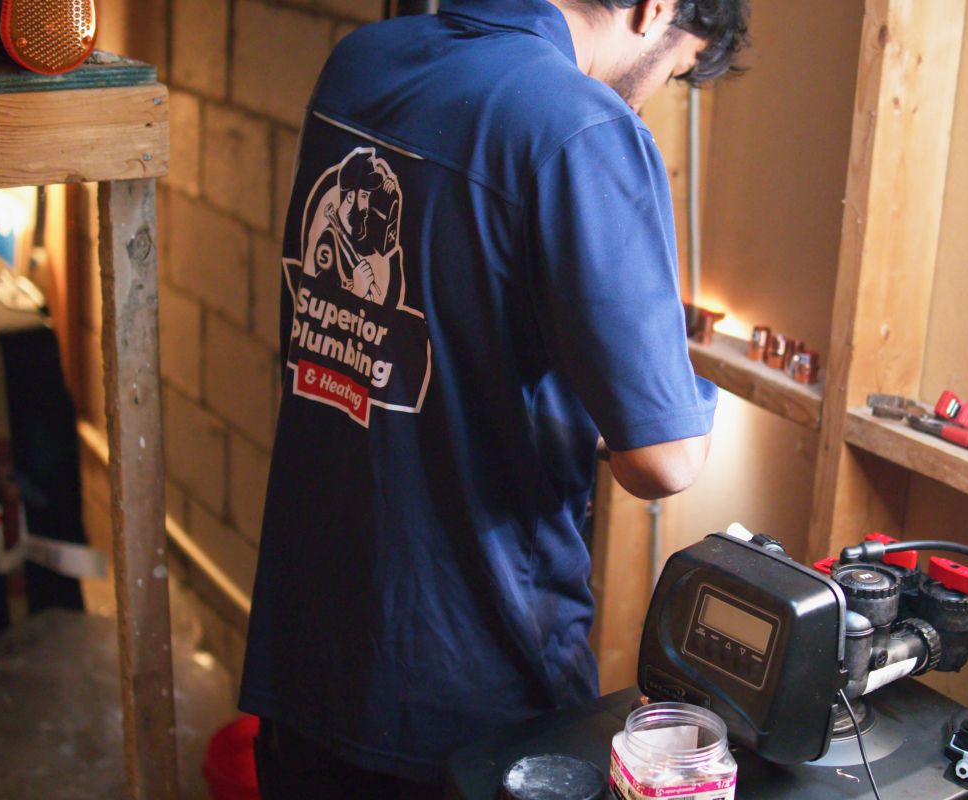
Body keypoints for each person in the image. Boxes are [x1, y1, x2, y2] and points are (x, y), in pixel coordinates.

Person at [241, 0, 750, 796]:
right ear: (657, 9)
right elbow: (666, 462)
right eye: (676, 68)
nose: (653, 96)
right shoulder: (580, 129)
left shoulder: (363, 60)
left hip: (310, 655)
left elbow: (449, 322)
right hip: (470, 691)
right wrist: (675, 394)